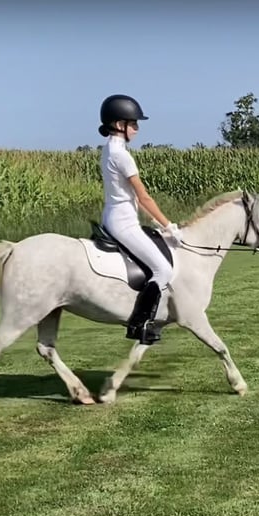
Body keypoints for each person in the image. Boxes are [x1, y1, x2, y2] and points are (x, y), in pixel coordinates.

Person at [97, 94, 184, 345]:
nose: (137, 128)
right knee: (163, 269)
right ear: (118, 124)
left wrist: (155, 223)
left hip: (114, 215)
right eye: (133, 123)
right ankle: (140, 324)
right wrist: (169, 226)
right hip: (123, 222)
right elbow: (144, 197)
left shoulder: (110, 149)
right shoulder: (121, 155)